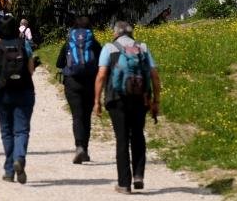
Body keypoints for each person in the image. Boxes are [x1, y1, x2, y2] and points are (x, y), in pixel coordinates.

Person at [94, 21, 160, 194]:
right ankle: (138, 175)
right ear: (132, 33)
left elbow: (101, 75)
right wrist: (155, 101)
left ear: (115, 33)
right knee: (138, 135)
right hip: (140, 99)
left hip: (117, 100)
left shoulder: (109, 48)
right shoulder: (143, 48)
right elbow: (154, 75)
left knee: (122, 139)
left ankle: (124, 183)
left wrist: (97, 101)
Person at [0, 15, 35, 184]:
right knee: (21, 130)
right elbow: (30, 70)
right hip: (24, 91)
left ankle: (9, 171)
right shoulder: (24, 45)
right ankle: (20, 158)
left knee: (6, 131)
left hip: (3, 93)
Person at [56, 16, 102, 164]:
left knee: (77, 115)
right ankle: (86, 150)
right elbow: (102, 61)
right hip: (90, 81)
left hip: (72, 82)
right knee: (86, 116)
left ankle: (79, 147)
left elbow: (59, 63)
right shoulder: (93, 42)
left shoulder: (70, 42)